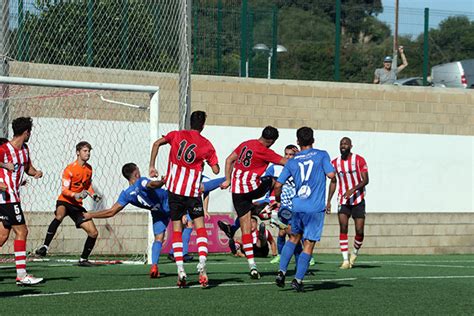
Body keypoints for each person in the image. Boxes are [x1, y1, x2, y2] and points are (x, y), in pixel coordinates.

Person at [149, 110, 219, 288]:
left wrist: (152, 166)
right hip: (193, 193)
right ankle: (202, 265)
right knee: (200, 229)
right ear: (203, 125)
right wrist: (206, 163)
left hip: (174, 192)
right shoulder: (207, 145)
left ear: (190, 122)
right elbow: (217, 170)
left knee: (177, 230)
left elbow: (157, 143)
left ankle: (180, 269)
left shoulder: (176, 135)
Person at [220, 126, 286, 279]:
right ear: (271, 141)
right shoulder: (265, 150)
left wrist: (228, 179)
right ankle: (272, 209)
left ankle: (252, 267)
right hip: (251, 189)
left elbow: (229, 159)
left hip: (237, 191)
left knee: (246, 230)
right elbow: (285, 162)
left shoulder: (246, 143)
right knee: (271, 180)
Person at [274, 127, 335, 292]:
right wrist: (329, 196)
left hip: (297, 206)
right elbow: (331, 175)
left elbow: (278, 185)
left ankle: (281, 271)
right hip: (315, 208)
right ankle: (298, 280)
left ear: (298, 142)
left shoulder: (292, 161)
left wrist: (278, 200)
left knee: (293, 238)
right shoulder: (322, 154)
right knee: (308, 244)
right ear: (313, 139)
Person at [83, 163, 169, 278]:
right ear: (136, 173)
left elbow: (111, 212)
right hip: (170, 203)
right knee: (188, 224)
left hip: (157, 212)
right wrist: (163, 182)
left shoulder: (126, 194)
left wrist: (90, 215)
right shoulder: (141, 181)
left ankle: (154, 266)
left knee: (158, 238)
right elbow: (152, 184)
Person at [35, 142, 102, 266]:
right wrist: (75, 195)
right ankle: (45, 246)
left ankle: (83, 259)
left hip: (77, 206)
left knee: (94, 233)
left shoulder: (89, 169)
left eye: (89, 151)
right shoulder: (69, 169)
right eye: (85, 151)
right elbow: (64, 191)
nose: (88, 153)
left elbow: (87, 186)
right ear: (78, 152)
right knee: (59, 216)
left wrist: (94, 195)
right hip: (65, 201)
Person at [0, 117, 44, 285]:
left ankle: (21, 274)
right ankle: (21, 274)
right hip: (8, 198)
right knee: (22, 231)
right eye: (30, 132)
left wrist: (36, 172)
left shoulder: (25, 149)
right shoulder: (3, 149)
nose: (30, 134)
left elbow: (27, 168)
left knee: (2, 236)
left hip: (11, 198)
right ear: (26, 132)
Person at [327, 137, 369, 269]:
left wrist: (353, 189)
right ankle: (345, 260)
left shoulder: (359, 160)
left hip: (358, 199)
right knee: (343, 227)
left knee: (359, 230)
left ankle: (354, 253)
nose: (343, 146)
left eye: (345, 144)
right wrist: (328, 201)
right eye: (341, 144)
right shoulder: (335, 162)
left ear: (351, 145)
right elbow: (333, 182)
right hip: (343, 200)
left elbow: (365, 180)